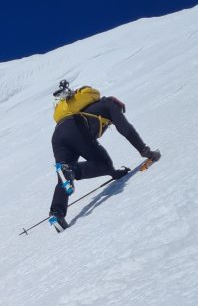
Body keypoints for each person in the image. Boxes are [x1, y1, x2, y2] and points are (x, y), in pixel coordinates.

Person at [49, 81, 160, 230]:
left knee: (64, 176)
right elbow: (126, 129)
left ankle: (57, 213)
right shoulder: (109, 104)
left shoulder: (86, 109)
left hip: (57, 135)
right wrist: (145, 151)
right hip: (75, 127)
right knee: (102, 163)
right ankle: (71, 171)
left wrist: (115, 174)